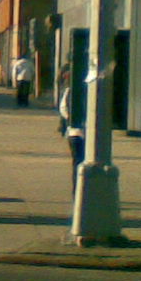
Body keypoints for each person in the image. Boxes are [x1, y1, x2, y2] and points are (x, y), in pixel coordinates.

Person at [56, 63, 85, 191]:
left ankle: (79, 190)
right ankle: (79, 190)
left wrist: (68, 120)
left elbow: (63, 108)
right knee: (79, 161)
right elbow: (64, 108)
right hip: (78, 132)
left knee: (78, 162)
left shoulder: (69, 90)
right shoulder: (73, 91)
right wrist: (71, 119)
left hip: (74, 132)